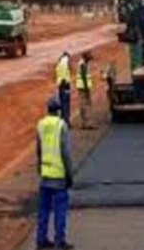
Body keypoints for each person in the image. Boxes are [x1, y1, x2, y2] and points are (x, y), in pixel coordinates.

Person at [35, 97, 74, 250]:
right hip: (59, 176)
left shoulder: (40, 125)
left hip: (45, 176)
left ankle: (41, 239)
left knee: (43, 210)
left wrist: (40, 169)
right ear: (58, 110)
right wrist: (69, 175)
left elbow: (38, 150)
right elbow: (65, 153)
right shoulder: (61, 125)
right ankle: (59, 241)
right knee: (60, 211)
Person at [76, 52, 94, 129]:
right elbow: (83, 76)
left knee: (84, 105)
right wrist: (86, 87)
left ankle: (85, 123)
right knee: (86, 105)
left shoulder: (83, 63)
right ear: (85, 57)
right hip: (83, 88)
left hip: (83, 87)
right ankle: (87, 124)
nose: (90, 60)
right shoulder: (83, 64)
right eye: (89, 58)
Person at [55, 52, 72, 127]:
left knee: (62, 103)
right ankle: (66, 121)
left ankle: (62, 120)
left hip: (60, 84)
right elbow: (65, 72)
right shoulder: (65, 61)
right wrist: (65, 83)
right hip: (64, 84)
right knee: (65, 104)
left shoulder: (59, 62)